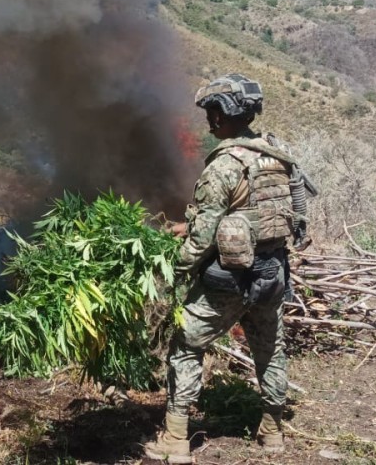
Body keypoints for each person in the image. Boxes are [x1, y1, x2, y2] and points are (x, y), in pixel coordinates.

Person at [145, 73, 313, 463]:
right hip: (272, 273)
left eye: (214, 111)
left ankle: (174, 439)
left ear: (227, 114)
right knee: (270, 350)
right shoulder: (278, 153)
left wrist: (174, 266)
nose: (210, 120)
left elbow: (202, 241)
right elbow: (277, 215)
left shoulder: (224, 165)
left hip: (229, 280)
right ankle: (272, 433)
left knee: (186, 346)